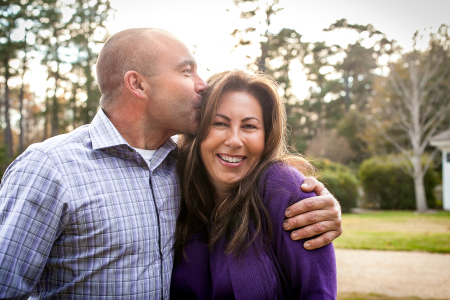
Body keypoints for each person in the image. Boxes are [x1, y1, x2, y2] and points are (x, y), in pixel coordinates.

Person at [0, 28, 341, 299]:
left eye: (249, 125)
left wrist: (317, 201)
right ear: (137, 84)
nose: (202, 83)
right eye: (186, 71)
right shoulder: (49, 168)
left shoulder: (177, 166)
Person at [170, 70, 336, 299]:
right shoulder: (171, 183)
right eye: (220, 123)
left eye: (249, 126)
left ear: (267, 136)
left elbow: (318, 293)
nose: (234, 140)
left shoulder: (284, 190)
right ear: (197, 130)